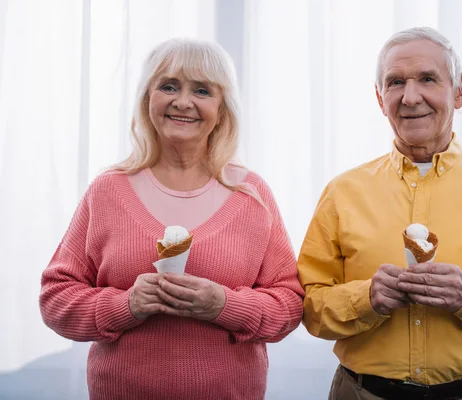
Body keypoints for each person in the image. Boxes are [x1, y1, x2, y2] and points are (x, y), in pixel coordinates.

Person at [297, 26, 462, 400]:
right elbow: (309, 306)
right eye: (395, 82)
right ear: (379, 97)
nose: (410, 97)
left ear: (460, 90)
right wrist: (366, 298)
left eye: (427, 79)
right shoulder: (341, 193)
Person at [39, 38, 304, 400]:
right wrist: (126, 305)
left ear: (222, 107)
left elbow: (289, 305)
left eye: (201, 90)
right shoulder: (107, 191)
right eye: (168, 86)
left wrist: (223, 305)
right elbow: (56, 300)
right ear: (148, 98)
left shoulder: (252, 194)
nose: (183, 102)